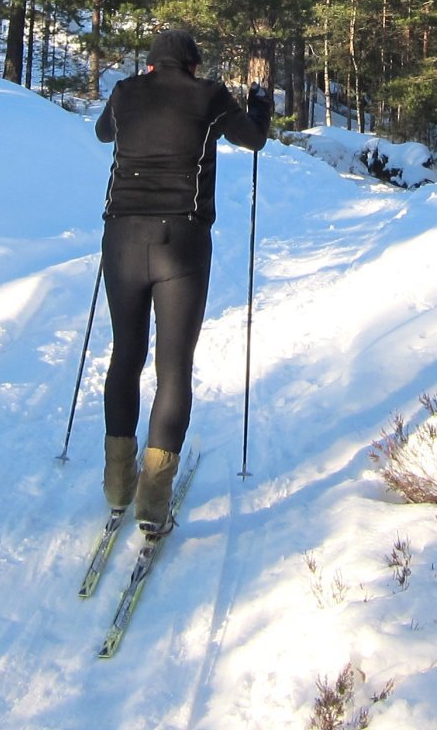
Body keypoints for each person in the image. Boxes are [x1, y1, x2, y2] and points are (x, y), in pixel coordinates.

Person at [94, 28, 271, 535]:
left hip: (122, 239)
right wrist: (258, 101)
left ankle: (116, 484)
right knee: (173, 367)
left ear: (151, 64)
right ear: (192, 65)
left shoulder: (126, 93)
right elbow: (253, 138)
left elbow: (105, 134)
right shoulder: (209, 95)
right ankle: (154, 499)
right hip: (182, 243)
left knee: (125, 356)